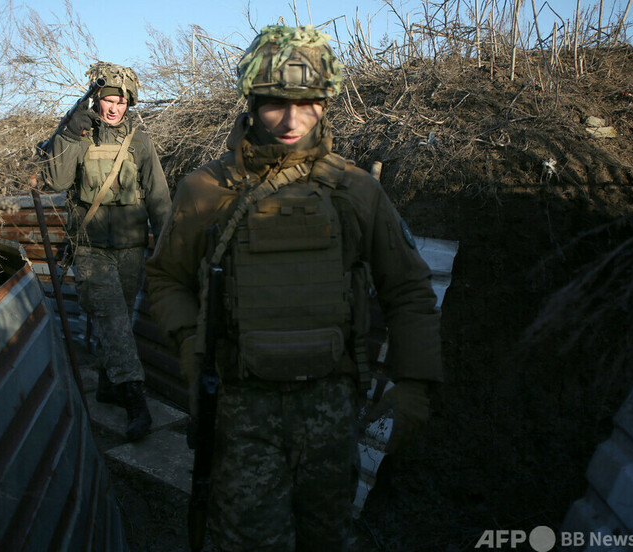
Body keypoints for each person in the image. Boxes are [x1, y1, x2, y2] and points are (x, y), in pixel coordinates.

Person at [145, 25, 443, 550]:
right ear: (252, 101)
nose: (291, 121)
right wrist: (193, 348)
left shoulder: (356, 190)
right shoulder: (205, 189)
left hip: (331, 408)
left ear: (326, 103)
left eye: (307, 103)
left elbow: (409, 288)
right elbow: (166, 277)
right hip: (240, 411)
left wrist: (414, 383)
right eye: (276, 104)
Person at [41, 61, 171, 441]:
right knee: (113, 319)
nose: (113, 108)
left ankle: (107, 386)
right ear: (96, 100)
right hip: (90, 248)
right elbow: (56, 179)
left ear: (130, 102)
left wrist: (165, 247)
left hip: (131, 249)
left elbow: (160, 198)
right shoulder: (78, 136)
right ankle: (135, 401)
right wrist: (67, 131)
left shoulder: (141, 142)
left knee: (117, 322)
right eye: (107, 100)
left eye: (120, 101)